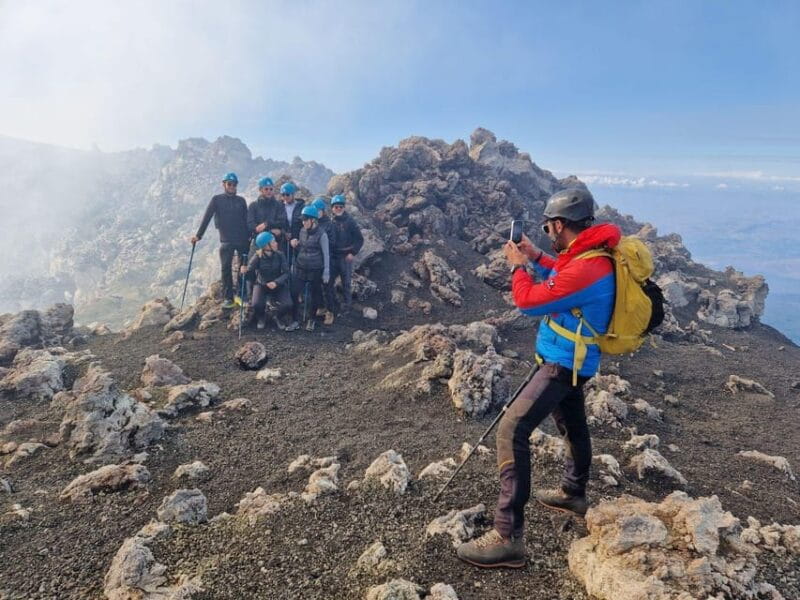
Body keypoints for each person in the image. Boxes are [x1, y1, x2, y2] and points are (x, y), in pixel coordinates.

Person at [456, 188, 620, 569]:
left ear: (560, 224)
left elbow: (529, 301)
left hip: (562, 364)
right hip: (575, 361)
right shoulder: (591, 256)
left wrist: (517, 267)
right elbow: (562, 278)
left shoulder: (587, 266)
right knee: (572, 424)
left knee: (511, 431)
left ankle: (507, 536)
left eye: (549, 227)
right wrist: (534, 256)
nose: (548, 233)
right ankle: (573, 492)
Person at [190, 172, 249, 309]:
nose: (232, 186)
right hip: (226, 240)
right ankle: (228, 298)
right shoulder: (216, 200)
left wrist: (251, 235)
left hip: (242, 239)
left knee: (243, 267)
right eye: (229, 184)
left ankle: (240, 295)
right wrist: (198, 236)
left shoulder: (241, 201)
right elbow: (207, 217)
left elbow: (246, 220)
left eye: (234, 184)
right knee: (225, 269)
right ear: (224, 184)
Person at [240, 232, 296, 331]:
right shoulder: (257, 257)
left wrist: (276, 282)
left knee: (288, 304)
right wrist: (244, 271)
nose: (276, 243)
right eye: (273, 242)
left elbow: (287, 273)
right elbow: (249, 273)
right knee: (256, 304)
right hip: (262, 284)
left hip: (278, 284)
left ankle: (278, 316)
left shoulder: (280, 255)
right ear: (266, 245)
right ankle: (261, 317)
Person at [290, 205, 330, 331]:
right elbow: (302, 247)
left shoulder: (322, 235)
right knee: (294, 292)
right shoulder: (302, 231)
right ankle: (295, 319)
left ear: (313, 220)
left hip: (315, 269)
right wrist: (295, 244)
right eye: (303, 220)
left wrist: (326, 272)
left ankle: (311, 320)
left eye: (306, 219)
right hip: (300, 267)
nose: (303, 222)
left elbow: (326, 254)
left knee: (314, 295)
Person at [330, 194, 363, 312]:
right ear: (332, 208)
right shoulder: (330, 221)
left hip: (346, 256)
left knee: (346, 283)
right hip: (333, 256)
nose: (338, 209)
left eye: (340, 207)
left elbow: (359, 239)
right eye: (336, 207)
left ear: (344, 208)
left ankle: (347, 307)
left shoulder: (350, 221)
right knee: (329, 281)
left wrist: (352, 253)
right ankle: (334, 304)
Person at [311, 197, 338, 325]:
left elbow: (332, 243)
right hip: (316, 261)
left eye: (318, 210)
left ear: (323, 211)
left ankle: (330, 312)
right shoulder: (313, 224)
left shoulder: (329, 225)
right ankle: (321, 307)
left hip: (328, 260)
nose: (316, 213)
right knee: (316, 285)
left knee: (328, 287)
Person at [279, 182, 305, 267]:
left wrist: (298, 238)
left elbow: (304, 224)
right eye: (283, 195)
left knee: (298, 263)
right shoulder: (279, 207)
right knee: (285, 263)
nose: (285, 197)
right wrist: (284, 233)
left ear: (293, 194)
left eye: (287, 195)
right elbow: (277, 223)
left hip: (297, 239)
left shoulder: (301, 207)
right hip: (284, 240)